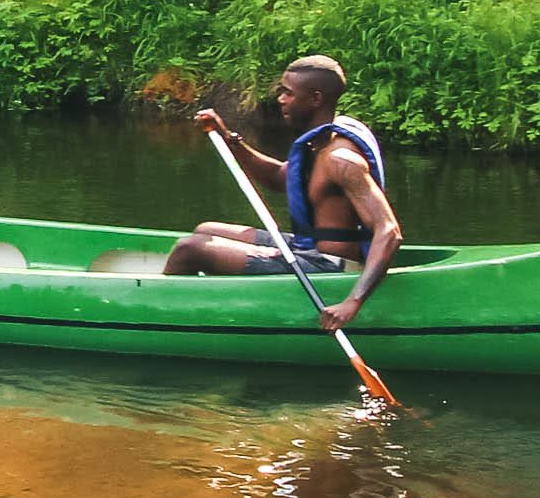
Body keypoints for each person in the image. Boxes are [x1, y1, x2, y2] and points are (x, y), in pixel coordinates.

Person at [163, 55, 404, 332]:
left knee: (189, 249)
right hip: (308, 246)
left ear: (315, 99)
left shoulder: (341, 159)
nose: (280, 99)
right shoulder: (321, 140)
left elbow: (389, 231)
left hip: (330, 267)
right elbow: (280, 178)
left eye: (288, 93)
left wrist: (353, 302)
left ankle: (160, 316)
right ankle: (220, 306)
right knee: (205, 229)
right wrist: (227, 136)